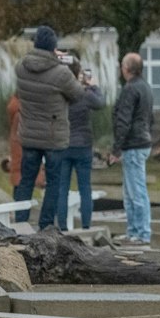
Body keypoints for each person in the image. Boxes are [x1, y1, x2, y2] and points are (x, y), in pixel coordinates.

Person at [12, 25, 80, 230]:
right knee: (53, 183)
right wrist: (70, 63)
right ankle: (46, 226)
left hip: (29, 135)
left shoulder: (21, 67)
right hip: (53, 137)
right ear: (54, 47)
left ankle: (21, 224)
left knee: (26, 181)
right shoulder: (61, 73)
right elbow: (78, 95)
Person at [110, 52, 155, 244]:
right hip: (142, 140)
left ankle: (141, 232)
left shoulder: (130, 89)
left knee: (135, 191)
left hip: (133, 144)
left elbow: (123, 120)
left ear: (127, 69)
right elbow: (149, 118)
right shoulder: (145, 87)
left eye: (122, 65)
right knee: (132, 190)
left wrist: (116, 148)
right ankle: (133, 231)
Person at [61, 56, 104, 229]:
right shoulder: (84, 94)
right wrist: (93, 86)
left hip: (63, 144)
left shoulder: (59, 93)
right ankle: (86, 225)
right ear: (78, 74)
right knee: (85, 187)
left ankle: (62, 226)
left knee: (61, 188)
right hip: (83, 144)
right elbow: (101, 103)